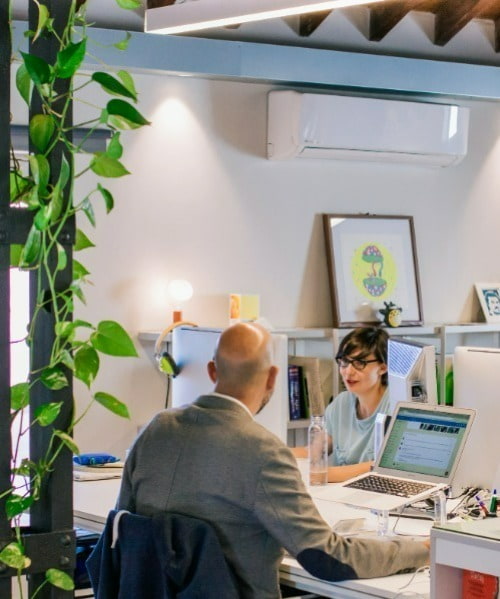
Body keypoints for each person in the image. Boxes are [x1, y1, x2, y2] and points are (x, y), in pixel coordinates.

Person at [117, 322, 427, 598]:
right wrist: (422, 550)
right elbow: (329, 559)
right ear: (273, 378)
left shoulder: (156, 429)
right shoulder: (264, 453)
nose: (349, 370)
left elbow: (122, 526)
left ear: (212, 371)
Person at [293, 326, 390, 483]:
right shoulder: (341, 403)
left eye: (359, 363)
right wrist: (273, 453)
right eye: (344, 362)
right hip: (340, 493)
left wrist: (325, 475)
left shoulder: (395, 406)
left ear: (383, 367)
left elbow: (383, 467)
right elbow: (314, 451)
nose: (348, 372)